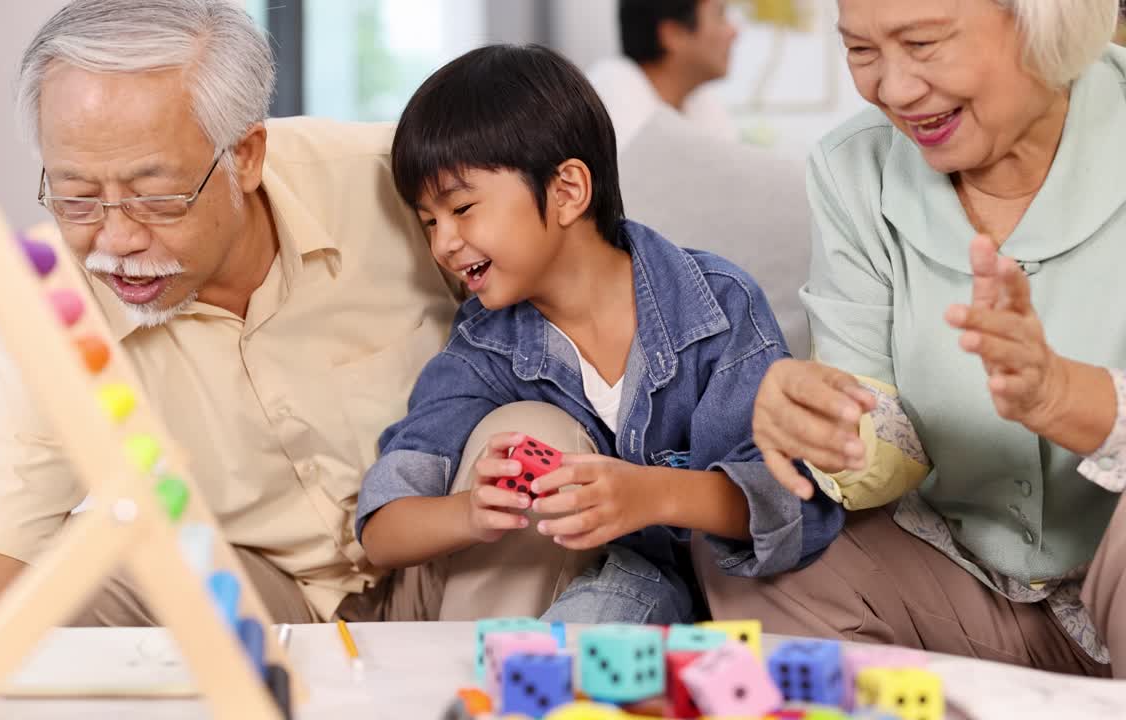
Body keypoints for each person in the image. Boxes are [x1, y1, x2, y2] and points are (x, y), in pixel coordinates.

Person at [0, 0, 553, 669]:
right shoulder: (51, 317)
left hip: (457, 554)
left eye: (155, 194)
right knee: (82, 558)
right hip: (253, 601)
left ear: (246, 155)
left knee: (537, 427)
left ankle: (487, 687)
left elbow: (588, 304)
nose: (117, 239)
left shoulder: (401, 184)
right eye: (76, 195)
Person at [697, 0, 1126, 678]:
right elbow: (881, 439)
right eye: (861, 52)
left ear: (1046, 21)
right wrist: (825, 423)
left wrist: (1066, 397)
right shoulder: (853, 168)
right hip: (969, 591)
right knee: (758, 537)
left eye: (922, 43)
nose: (891, 89)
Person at [356, 43, 841, 624]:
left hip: (712, 600)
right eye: (428, 221)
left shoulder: (716, 307)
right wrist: (469, 512)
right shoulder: (484, 348)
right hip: (567, 590)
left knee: (620, 605)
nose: (442, 244)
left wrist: (651, 493)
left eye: (462, 209)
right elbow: (382, 529)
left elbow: (796, 506)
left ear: (567, 191)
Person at [586, 0, 740, 148]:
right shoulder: (611, 93)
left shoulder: (701, 102)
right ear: (673, 34)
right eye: (720, 15)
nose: (734, 32)